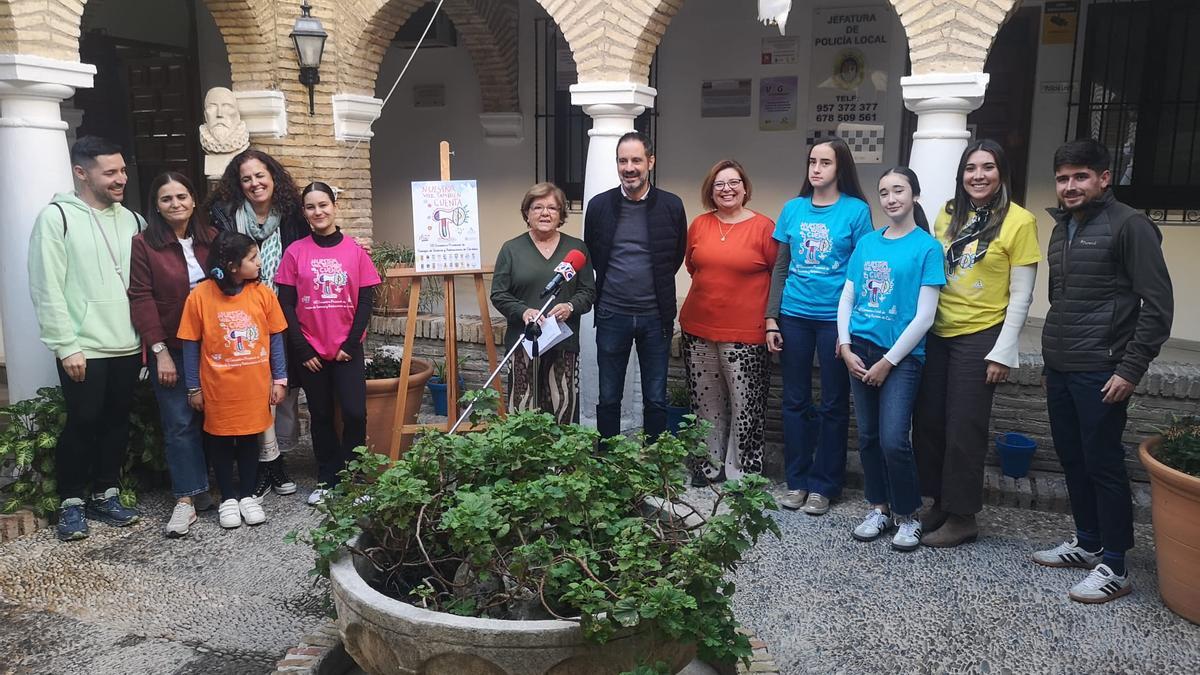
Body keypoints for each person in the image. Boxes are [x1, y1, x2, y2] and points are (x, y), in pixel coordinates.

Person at [1033, 139, 1173, 603]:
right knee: (1072, 457)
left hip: (1103, 370)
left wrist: (1130, 370)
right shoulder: (1062, 229)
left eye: (1080, 177)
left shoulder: (1130, 226)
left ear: (1104, 178)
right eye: (1062, 178)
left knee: (1104, 463)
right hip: (1063, 365)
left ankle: (1114, 563)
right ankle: (1088, 540)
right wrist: (1052, 359)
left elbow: (1157, 307)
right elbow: (1064, 300)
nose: (1069, 187)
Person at [912, 140, 1041, 548]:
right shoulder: (948, 213)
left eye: (987, 167)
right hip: (938, 331)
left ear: (1002, 173)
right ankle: (940, 502)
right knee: (930, 422)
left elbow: (1022, 295)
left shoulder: (1020, 222)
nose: (978, 175)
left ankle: (963, 515)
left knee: (964, 427)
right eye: (970, 168)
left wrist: (1003, 350)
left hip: (980, 335)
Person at [28, 136, 143, 541]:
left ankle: (105, 493)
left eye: (122, 170)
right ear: (81, 172)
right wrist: (66, 345)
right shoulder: (56, 218)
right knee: (83, 422)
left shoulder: (131, 219)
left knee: (115, 423)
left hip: (127, 345)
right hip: (84, 349)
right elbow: (47, 288)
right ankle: (71, 502)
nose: (120, 179)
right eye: (110, 172)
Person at [838, 167, 945, 552]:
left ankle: (909, 514)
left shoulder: (927, 248)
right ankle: (878, 507)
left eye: (898, 190)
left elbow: (925, 316)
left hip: (901, 357)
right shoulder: (867, 243)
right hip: (860, 350)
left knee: (894, 438)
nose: (891, 198)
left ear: (914, 194)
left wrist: (890, 361)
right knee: (867, 436)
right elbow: (848, 298)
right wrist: (845, 345)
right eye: (883, 192)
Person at [765, 138, 873, 515]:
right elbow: (780, 267)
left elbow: (861, 270)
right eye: (812, 161)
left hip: (834, 320)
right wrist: (770, 318)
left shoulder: (856, 212)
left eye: (824, 163)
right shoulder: (792, 209)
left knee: (832, 403)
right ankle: (797, 480)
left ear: (839, 168)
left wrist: (850, 327)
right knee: (794, 401)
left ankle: (825, 485)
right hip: (794, 315)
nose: (816, 169)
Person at [207, 148, 306, 500]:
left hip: (284, 312)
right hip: (239, 316)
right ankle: (264, 466)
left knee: (284, 391)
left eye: (260, 175)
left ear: (273, 177)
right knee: (253, 394)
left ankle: (277, 460)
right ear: (238, 184)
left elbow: (313, 249)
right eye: (246, 178)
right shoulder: (226, 218)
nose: (254, 183)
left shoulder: (294, 215)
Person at [276, 182, 381, 506]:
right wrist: (302, 348)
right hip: (311, 352)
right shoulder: (295, 252)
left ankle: (354, 478)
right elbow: (286, 304)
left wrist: (351, 342)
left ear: (334, 206)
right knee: (319, 415)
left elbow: (366, 300)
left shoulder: (355, 251)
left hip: (347, 349)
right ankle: (328, 478)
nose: (318, 212)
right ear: (304, 213)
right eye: (311, 207)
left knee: (354, 413)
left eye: (323, 205)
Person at [178, 230, 288, 529]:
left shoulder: (263, 294)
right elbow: (190, 344)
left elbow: (276, 337)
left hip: (255, 385)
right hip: (217, 388)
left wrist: (280, 379)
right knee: (221, 439)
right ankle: (228, 497)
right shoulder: (199, 296)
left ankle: (248, 495)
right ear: (232, 266)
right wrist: (193, 387)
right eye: (252, 258)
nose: (259, 263)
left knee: (251, 437)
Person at [678, 160, 778, 486]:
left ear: (745, 188)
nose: (727, 189)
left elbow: (778, 275)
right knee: (706, 406)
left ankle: (743, 474)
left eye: (733, 182)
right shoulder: (700, 224)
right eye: (719, 184)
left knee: (746, 408)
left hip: (747, 334)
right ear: (711, 190)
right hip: (698, 329)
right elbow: (694, 268)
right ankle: (707, 468)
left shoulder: (764, 227)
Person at [128, 172, 217, 537]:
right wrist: (159, 351)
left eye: (182, 196)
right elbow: (141, 297)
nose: (176, 204)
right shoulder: (144, 244)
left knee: (217, 418)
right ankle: (185, 500)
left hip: (215, 345)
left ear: (194, 199)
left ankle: (212, 488)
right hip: (173, 346)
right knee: (178, 422)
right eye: (167, 199)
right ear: (157, 206)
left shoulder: (212, 238)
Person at [584, 131, 687, 440]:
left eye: (636, 160)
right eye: (623, 160)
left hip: (656, 317)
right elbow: (594, 253)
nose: (629, 167)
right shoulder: (599, 206)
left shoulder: (671, 205)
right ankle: (609, 463)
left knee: (655, 397)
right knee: (609, 396)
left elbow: (676, 255)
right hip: (611, 314)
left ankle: (654, 461)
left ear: (650, 162)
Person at [491, 182, 596, 423]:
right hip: (524, 341)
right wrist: (523, 311)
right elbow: (499, 293)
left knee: (563, 405)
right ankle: (523, 460)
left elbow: (588, 291)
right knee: (522, 407)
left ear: (561, 214)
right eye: (537, 207)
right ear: (527, 213)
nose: (545, 213)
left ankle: (561, 461)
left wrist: (570, 307)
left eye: (552, 207)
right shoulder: (511, 250)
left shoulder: (576, 249)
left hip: (563, 341)